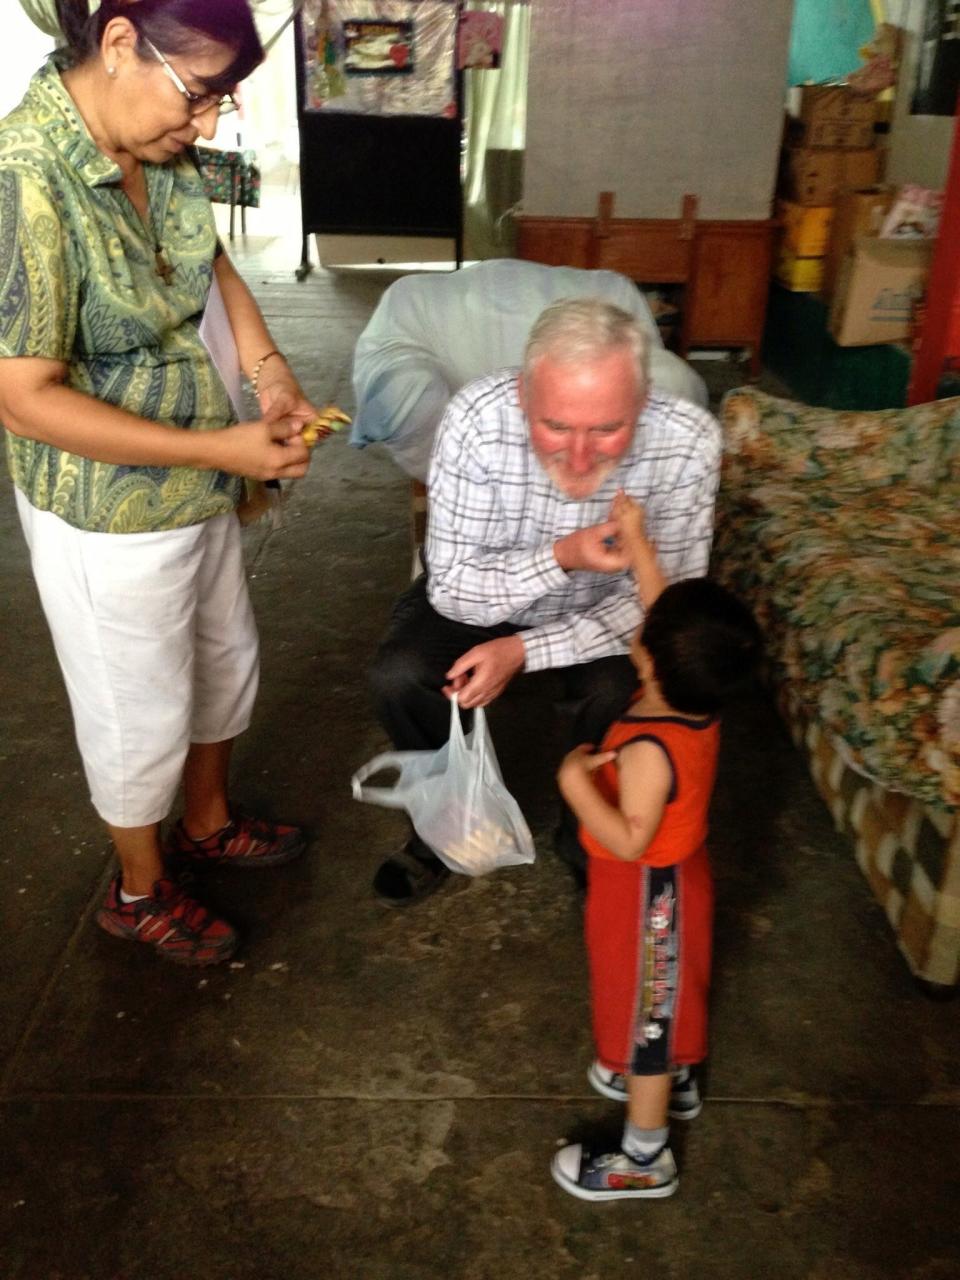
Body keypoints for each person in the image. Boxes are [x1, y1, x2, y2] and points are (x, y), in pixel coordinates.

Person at [0, 0, 326, 965]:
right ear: (116, 44)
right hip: (109, 512)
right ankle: (138, 891)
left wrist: (268, 371)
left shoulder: (161, 141)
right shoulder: (25, 177)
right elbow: (22, 398)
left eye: (224, 100)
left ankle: (207, 822)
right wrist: (224, 452)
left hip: (197, 472)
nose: (208, 125)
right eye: (198, 95)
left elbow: (207, 257)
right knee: (135, 708)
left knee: (225, 660)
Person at [368, 298, 722, 905]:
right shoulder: (477, 418)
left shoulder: (689, 443)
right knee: (399, 675)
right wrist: (564, 555)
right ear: (522, 396)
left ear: (643, 404)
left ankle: (587, 835)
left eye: (607, 428)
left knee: (624, 690)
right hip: (479, 600)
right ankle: (446, 827)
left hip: (609, 617)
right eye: (555, 426)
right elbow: (452, 586)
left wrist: (525, 649)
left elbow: (667, 617)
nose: (580, 456)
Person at [551, 493, 762, 1202]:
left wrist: (575, 787)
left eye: (648, 633)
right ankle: (670, 1077)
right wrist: (639, 540)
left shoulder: (648, 748)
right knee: (656, 1002)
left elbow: (630, 838)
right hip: (666, 882)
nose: (641, 625)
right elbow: (661, 608)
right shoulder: (695, 697)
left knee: (645, 1016)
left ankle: (644, 1156)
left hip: (649, 892)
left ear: (649, 661)